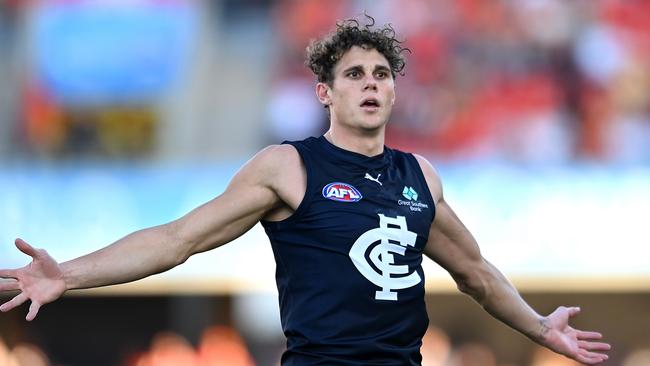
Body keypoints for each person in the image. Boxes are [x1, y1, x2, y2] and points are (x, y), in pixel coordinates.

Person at [0, 16, 610, 365]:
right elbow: (177, 239)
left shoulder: (419, 177)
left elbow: (476, 274)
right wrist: (69, 275)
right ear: (326, 92)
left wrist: (539, 327)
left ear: (394, 90)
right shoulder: (289, 168)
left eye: (381, 75)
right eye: (353, 76)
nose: (370, 85)